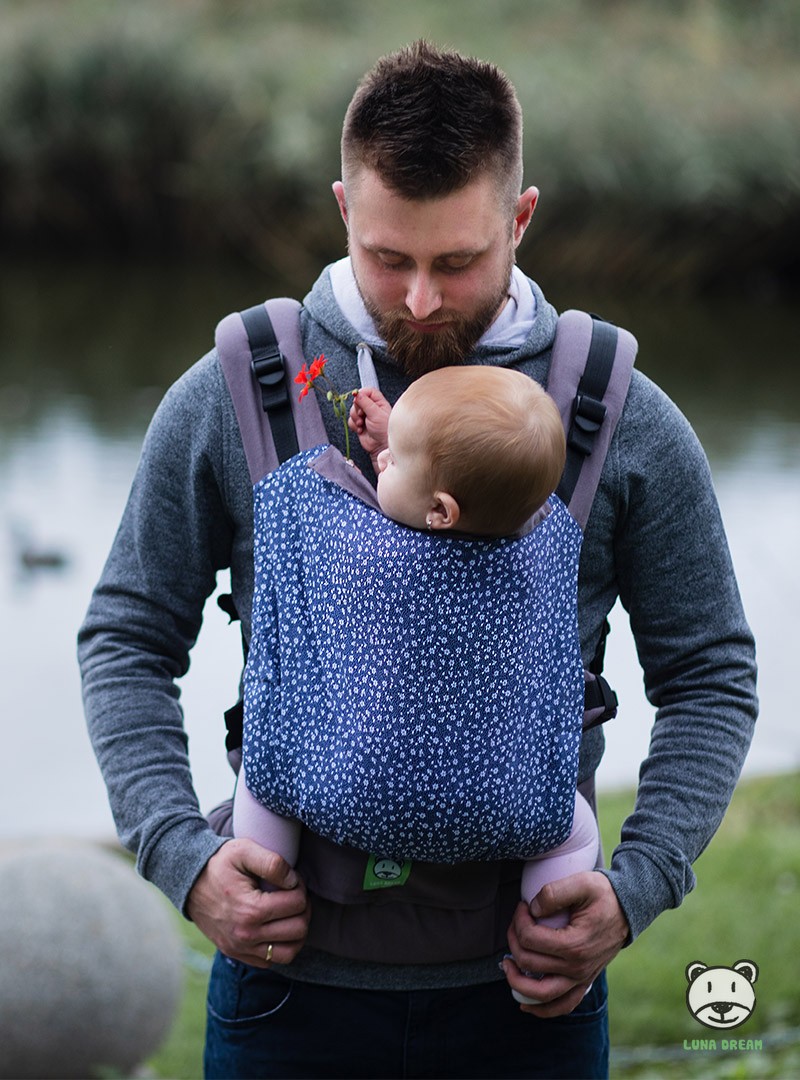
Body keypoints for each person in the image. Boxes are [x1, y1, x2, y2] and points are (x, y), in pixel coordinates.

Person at [77, 40, 757, 1080]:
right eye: (389, 259)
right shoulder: (241, 388)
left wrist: (636, 885)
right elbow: (127, 636)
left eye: (458, 261)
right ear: (343, 206)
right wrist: (183, 857)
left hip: (525, 1003)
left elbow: (709, 674)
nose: (423, 301)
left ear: (518, 219)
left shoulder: (616, 413)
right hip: (286, 998)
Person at [232, 366, 599, 954]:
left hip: (346, 791)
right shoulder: (543, 545)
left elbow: (318, 494)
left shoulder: (348, 541)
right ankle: (546, 948)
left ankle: (262, 884)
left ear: (442, 511)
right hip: (508, 804)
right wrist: (396, 439)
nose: (380, 464)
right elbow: (445, 495)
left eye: (394, 461)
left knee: (265, 776)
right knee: (572, 835)